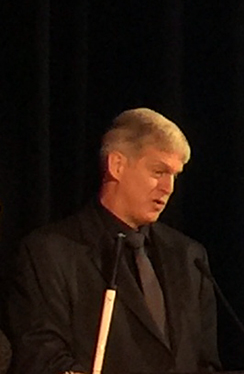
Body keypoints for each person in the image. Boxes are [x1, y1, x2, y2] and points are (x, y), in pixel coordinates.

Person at [5, 108, 219, 374]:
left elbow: (206, 362)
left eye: (174, 175)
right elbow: (42, 356)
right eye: (158, 171)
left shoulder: (189, 257)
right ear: (117, 165)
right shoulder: (50, 252)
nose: (168, 188)